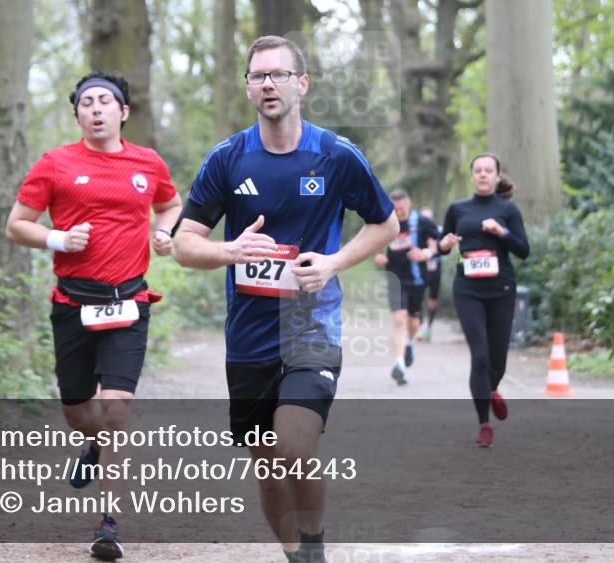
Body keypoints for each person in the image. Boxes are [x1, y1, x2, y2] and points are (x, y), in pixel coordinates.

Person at [172, 36, 397, 563]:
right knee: (269, 468)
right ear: (248, 87)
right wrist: (230, 250)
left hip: (310, 330)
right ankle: (293, 552)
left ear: (302, 83)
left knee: (296, 446)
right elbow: (184, 245)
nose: (268, 83)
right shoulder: (227, 160)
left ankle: (314, 546)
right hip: (248, 338)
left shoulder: (337, 155)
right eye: (258, 76)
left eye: (278, 74)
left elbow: (386, 224)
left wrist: (333, 263)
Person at [5, 72, 182, 559]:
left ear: (123, 112)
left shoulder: (148, 162)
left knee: (116, 409)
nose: (97, 108)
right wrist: (58, 239)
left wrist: (164, 233)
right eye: (87, 102)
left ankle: (109, 526)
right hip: (72, 305)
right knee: (78, 410)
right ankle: (94, 444)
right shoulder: (55, 164)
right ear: (78, 114)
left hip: (130, 302)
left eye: (106, 101)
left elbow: (170, 204)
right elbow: (16, 225)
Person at [436, 153, 529, 448]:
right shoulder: (458, 208)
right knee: (479, 356)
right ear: (472, 175)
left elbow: (523, 250)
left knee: (497, 360)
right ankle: (484, 424)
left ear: (498, 175)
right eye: (478, 170)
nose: (483, 175)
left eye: (489, 170)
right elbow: (442, 244)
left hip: (501, 289)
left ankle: (491, 389)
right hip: (468, 290)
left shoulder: (508, 209)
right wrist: (445, 244)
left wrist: (501, 231)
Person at [373, 190, 439, 385]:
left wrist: (426, 253)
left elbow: (437, 244)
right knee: (399, 318)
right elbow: (374, 241)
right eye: (395, 208)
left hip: (417, 280)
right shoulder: (385, 221)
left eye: (402, 208)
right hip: (395, 278)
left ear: (408, 204)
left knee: (413, 322)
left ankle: (410, 343)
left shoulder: (422, 223)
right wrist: (377, 255)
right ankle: (399, 364)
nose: (399, 212)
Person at [418, 207, 443, 343]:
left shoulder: (437, 231)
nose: (426, 220)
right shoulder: (417, 232)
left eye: (429, 217)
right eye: (424, 217)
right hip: (421, 270)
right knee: (419, 297)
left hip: (435, 269)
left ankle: (429, 326)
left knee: (433, 299)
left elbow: (444, 248)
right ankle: (421, 327)